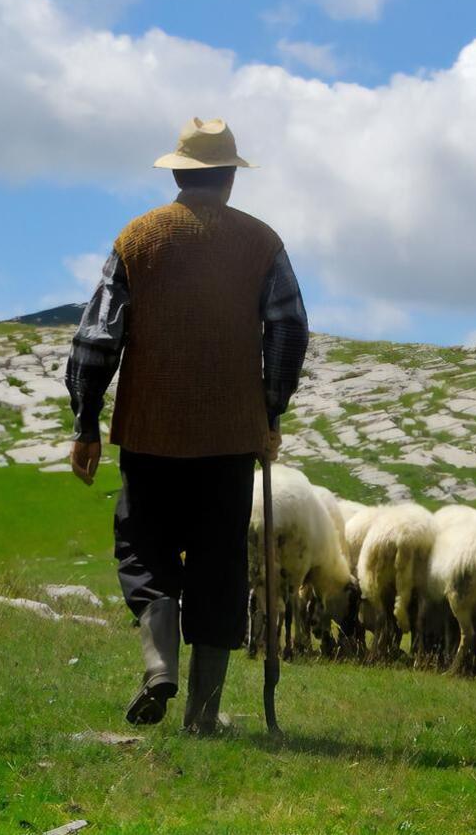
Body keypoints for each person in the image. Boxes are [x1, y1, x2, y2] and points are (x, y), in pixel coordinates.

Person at [65, 118, 309, 733]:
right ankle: (202, 714)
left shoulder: (137, 239)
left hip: (150, 433)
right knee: (219, 562)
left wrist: (87, 423)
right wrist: (269, 411)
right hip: (229, 438)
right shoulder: (261, 243)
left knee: (143, 551)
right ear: (229, 178)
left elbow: (97, 337)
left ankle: (158, 668)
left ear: (178, 173)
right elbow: (288, 330)